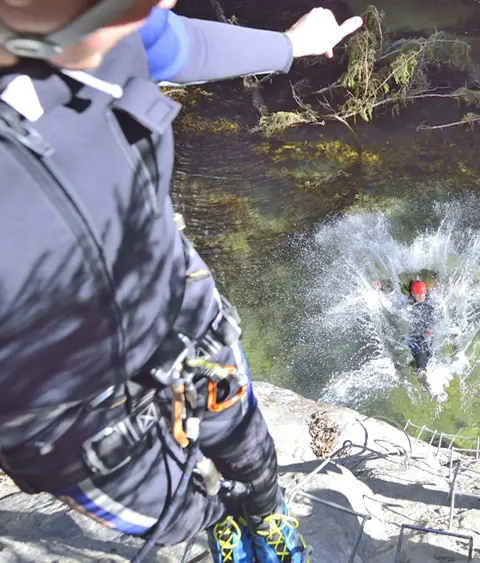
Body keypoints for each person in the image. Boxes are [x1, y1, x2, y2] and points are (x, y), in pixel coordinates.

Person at [0, 2, 362, 563]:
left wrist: (290, 46)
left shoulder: (109, 27)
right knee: (172, 513)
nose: (160, 4)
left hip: (182, 307)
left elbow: (180, 44)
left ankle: (265, 513)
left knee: (248, 443)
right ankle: (217, 523)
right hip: (73, 421)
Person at [406, 279, 435, 374]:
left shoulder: (430, 303)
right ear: (413, 294)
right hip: (413, 336)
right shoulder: (408, 306)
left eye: (422, 294)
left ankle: (423, 369)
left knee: (431, 354)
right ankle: (421, 371)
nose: (421, 297)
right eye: (418, 295)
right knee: (419, 352)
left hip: (427, 333)